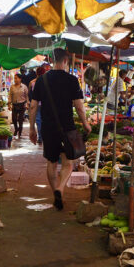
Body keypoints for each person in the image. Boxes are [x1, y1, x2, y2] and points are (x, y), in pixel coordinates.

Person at [28, 48, 92, 211]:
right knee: (68, 163)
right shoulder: (72, 80)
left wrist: (32, 129)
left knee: (51, 162)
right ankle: (60, 189)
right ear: (65, 61)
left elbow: (33, 106)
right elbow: (79, 106)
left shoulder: (42, 80)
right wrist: (85, 123)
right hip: (67, 128)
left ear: (52, 60)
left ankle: (53, 191)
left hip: (48, 127)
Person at [8, 73, 29, 137]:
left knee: (20, 119)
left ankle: (20, 132)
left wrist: (27, 104)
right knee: (14, 119)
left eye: (16, 78)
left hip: (22, 105)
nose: (15, 80)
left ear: (20, 79)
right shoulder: (12, 87)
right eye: (14, 78)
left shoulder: (24, 87)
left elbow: (27, 96)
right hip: (14, 104)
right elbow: (10, 95)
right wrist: (9, 104)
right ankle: (16, 129)